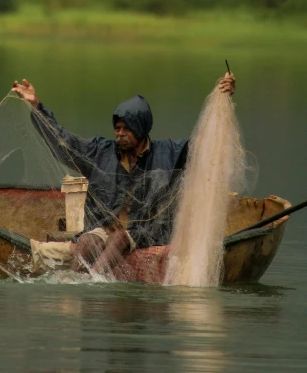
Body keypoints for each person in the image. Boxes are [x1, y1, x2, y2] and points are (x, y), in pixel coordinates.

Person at [12, 73, 236, 275]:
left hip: (146, 233)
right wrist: (37, 106)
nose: (120, 134)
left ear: (141, 129)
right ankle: (73, 282)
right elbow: (64, 143)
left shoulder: (169, 153)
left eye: (127, 129)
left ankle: (94, 281)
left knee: (119, 238)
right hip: (103, 226)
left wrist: (222, 100)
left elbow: (205, 146)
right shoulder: (100, 152)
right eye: (117, 129)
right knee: (88, 240)